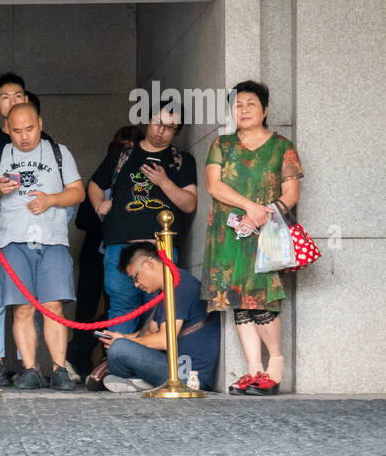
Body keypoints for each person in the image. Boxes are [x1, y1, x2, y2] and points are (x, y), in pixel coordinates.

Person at [202, 80, 303, 395]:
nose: (243, 110)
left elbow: (292, 192)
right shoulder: (222, 144)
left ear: (265, 109)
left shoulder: (282, 146)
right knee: (238, 303)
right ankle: (253, 371)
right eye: (238, 104)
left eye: (250, 104)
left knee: (262, 301)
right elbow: (213, 186)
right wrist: (249, 208)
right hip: (228, 231)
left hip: (264, 233)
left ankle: (274, 369)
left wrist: (265, 212)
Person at [0, 97, 84, 390]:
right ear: (7, 130)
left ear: (40, 125)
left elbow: (78, 193)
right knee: (22, 309)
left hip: (52, 240)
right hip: (13, 241)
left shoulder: (59, 153)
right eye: (17, 130)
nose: (24, 137)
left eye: (29, 129)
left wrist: (51, 199)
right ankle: (30, 369)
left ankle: (59, 368)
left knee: (53, 306)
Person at [88, 101, 198, 334]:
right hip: (120, 245)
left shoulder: (182, 159)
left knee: (159, 310)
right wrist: (99, 204)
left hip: (160, 247)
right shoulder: (123, 155)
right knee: (121, 307)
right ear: (148, 120)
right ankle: (120, 366)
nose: (161, 131)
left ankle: (150, 367)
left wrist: (164, 182)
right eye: (157, 123)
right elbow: (95, 185)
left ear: (176, 131)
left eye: (169, 127)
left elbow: (189, 203)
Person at [70, 125, 144, 375]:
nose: (126, 152)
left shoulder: (141, 179)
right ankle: (78, 359)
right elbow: (82, 219)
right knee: (85, 312)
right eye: (119, 148)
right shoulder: (102, 178)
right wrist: (107, 209)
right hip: (95, 254)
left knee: (122, 308)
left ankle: (110, 359)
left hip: (127, 256)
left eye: (131, 148)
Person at [100, 244, 220, 392]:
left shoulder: (180, 285)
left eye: (135, 277)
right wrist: (122, 336)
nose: (136, 285)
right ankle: (140, 381)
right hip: (172, 365)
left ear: (149, 264)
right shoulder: (166, 289)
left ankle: (138, 381)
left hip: (187, 374)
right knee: (117, 347)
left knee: (119, 349)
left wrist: (124, 342)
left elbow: (164, 341)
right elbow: (150, 333)